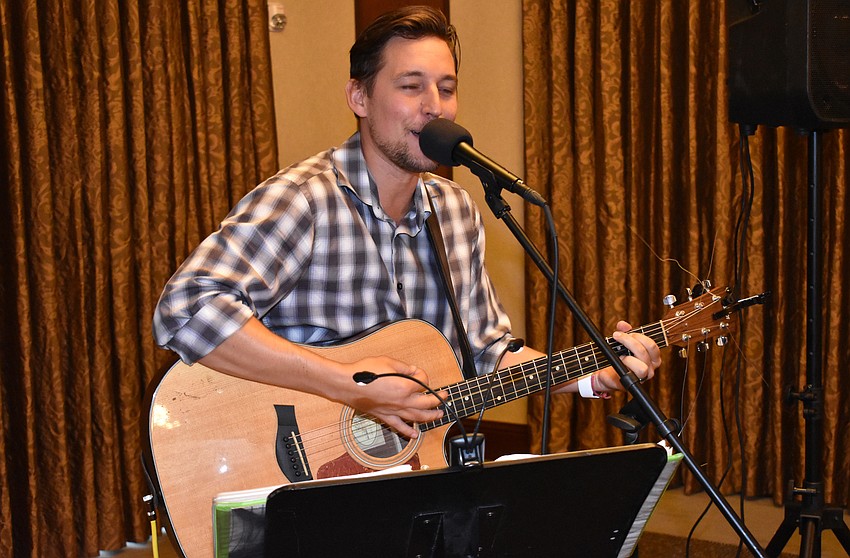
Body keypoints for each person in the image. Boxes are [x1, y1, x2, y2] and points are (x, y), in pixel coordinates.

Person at [152, 6, 660, 442]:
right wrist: (348, 385)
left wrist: (590, 375)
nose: (433, 108)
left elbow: (484, 352)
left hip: (408, 472)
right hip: (296, 473)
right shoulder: (305, 199)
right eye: (410, 86)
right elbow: (186, 309)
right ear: (359, 98)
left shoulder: (456, 212)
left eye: (446, 88)